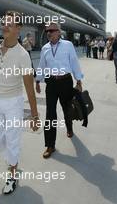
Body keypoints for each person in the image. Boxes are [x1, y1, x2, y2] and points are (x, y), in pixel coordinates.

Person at [0, 11, 39, 194]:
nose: (4, 26)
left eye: (9, 24)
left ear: (18, 29)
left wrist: (34, 116)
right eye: (4, 23)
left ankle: (12, 173)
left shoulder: (23, 55)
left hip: (13, 103)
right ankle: (12, 155)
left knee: (12, 140)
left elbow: (29, 88)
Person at [35, 23, 83, 159]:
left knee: (67, 108)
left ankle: (69, 127)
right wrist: (38, 81)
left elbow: (74, 62)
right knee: (50, 113)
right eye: (47, 31)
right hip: (51, 83)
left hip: (66, 82)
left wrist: (78, 80)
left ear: (58, 32)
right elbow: (42, 66)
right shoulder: (45, 48)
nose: (49, 33)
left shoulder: (67, 45)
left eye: (51, 30)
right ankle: (50, 145)